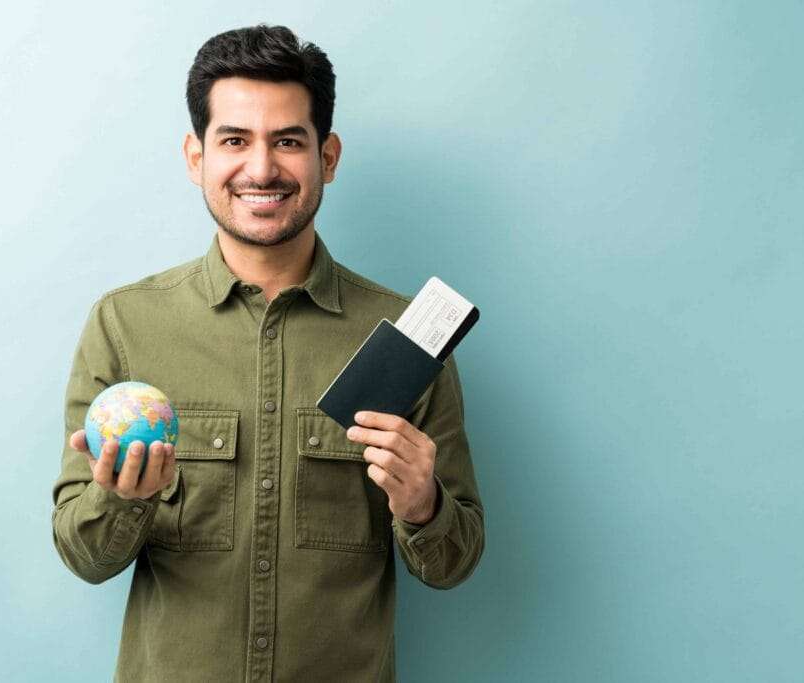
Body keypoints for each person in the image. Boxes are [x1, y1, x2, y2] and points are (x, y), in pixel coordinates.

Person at [51, 24, 485, 682]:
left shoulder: (407, 338)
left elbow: (452, 564)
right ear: (196, 157)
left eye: (288, 140)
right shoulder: (124, 324)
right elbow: (84, 556)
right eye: (234, 140)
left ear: (327, 156)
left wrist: (423, 502)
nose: (261, 169)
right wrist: (119, 499)